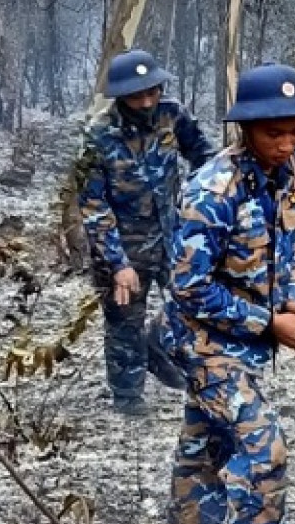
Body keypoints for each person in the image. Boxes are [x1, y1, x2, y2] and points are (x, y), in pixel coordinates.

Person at [164, 63, 295, 524]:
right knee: (263, 450)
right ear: (245, 129)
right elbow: (188, 288)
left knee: (204, 445)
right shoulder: (212, 190)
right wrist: (266, 322)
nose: (287, 143)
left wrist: (294, 308)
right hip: (200, 340)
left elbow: (290, 249)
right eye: (274, 133)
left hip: (252, 338)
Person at [79, 49, 216, 415]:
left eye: (152, 91)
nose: (146, 101)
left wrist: (199, 204)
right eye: (136, 95)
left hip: (172, 234)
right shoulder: (98, 134)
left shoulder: (172, 114)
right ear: (120, 96)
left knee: (194, 305)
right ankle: (128, 397)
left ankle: (165, 350)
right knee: (125, 321)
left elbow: (205, 157)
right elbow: (94, 204)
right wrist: (116, 262)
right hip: (123, 244)